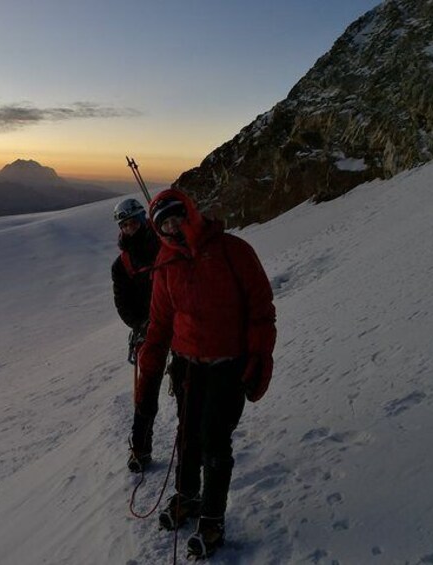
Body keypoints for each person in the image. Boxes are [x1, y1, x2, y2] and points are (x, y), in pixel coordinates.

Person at [137, 188, 276, 559]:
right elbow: (161, 322)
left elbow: (261, 307)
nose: (171, 226)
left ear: (191, 213)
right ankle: (187, 496)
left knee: (215, 440)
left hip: (228, 365)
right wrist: (149, 366)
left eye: (176, 216)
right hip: (188, 367)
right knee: (188, 434)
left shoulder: (232, 250)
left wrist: (260, 356)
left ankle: (212, 520)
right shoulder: (166, 264)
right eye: (163, 222)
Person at [110, 198, 160, 473]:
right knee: (147, 391)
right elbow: (123, 303)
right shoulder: (122, 265)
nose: (130, 228)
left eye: (134, 223)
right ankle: (141, 449)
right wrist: (140, 325)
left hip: (178, 324)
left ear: (144, 220)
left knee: (186, 386)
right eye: (125, 225)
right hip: (149, 330)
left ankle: (189, 443)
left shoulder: (164, 244)